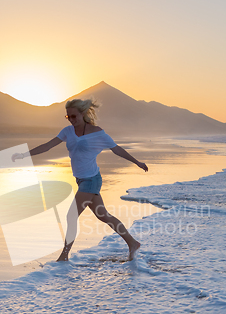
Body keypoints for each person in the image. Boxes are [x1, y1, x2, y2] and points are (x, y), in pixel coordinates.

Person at [12, 98, 148, 261]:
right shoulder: (67, 131)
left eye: (74, 116)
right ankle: (133, 243)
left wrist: (137, 162)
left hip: (91, 180)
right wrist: (24, 155)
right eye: (68, 117)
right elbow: (47, 146)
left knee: (71, 216)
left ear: (83, 114)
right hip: (81, 180)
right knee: (103, 215)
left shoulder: (98, 133)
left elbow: (117, 149)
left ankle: (64, 256)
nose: (71, 120)